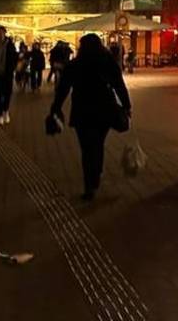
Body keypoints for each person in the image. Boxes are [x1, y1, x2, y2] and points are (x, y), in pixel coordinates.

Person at [50, 33, 131, 201]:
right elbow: (119, 85)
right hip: (104, 110)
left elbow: (63, 89)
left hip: (82, 111)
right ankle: (97, 173)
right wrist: (126, 106)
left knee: (87, 149)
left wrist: (56, 108)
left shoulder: (75, 64)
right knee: (98, 143)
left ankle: (89, 185)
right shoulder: (108, 62)